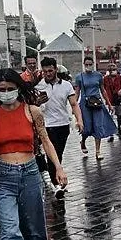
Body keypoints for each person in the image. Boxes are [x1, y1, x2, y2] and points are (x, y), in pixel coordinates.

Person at [0, 69, 68, 240]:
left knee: (32, 225)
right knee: (9, 230)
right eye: (1, 90)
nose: (6, 93)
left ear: (18, 89)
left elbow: (45, 140)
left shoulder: (32, 112)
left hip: (30, 172)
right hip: (3, 177)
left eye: (9, 88)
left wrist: (58, 168)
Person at [35, 57, 83, 199]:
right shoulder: (38, 86)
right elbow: (32, 106)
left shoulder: (67, 85)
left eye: (50, 70)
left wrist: (79, 120)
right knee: (52, 154)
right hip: (46, 126)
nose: (48, 74)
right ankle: (56, 183)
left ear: (56, 69)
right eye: (45, 72)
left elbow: (74, 104)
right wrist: (37, 102)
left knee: (58, 154)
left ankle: (56, 174)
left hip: (62, 124)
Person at [74, 56, 116, 160]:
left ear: (93, 64)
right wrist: (74, 106)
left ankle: (98, 151)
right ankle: (83, 141)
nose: (88, 66)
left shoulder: (98, 76)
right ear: (84, 65)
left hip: (97, 103)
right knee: (86, 128)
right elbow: (77, 92)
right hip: (85, 104)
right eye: (86, 64)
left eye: (90, 64)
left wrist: (109, 104)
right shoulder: (80, 77)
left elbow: (103, 90)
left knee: (98, 126)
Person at [103, 62, 121, 140]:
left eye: (114, 69)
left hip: (118, 99)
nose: (113, 71)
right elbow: (103, 88)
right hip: (110, 100)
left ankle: (119, 127)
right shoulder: (105, 79)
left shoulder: (120, 77)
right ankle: (111, 133)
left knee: (119, 115)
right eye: (111, 70)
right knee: (110, 116)